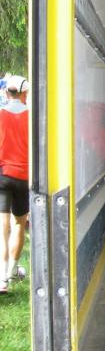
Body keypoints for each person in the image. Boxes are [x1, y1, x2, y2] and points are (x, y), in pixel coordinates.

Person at [0, 75, 29, 294]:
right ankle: (10, 273)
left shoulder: (0, 114)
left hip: (3, 174)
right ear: (24, 94)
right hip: (23, 176)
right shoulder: (32, 116)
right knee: (19, 224)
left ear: (6, 93)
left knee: (3, 226)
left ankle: (1, 279)